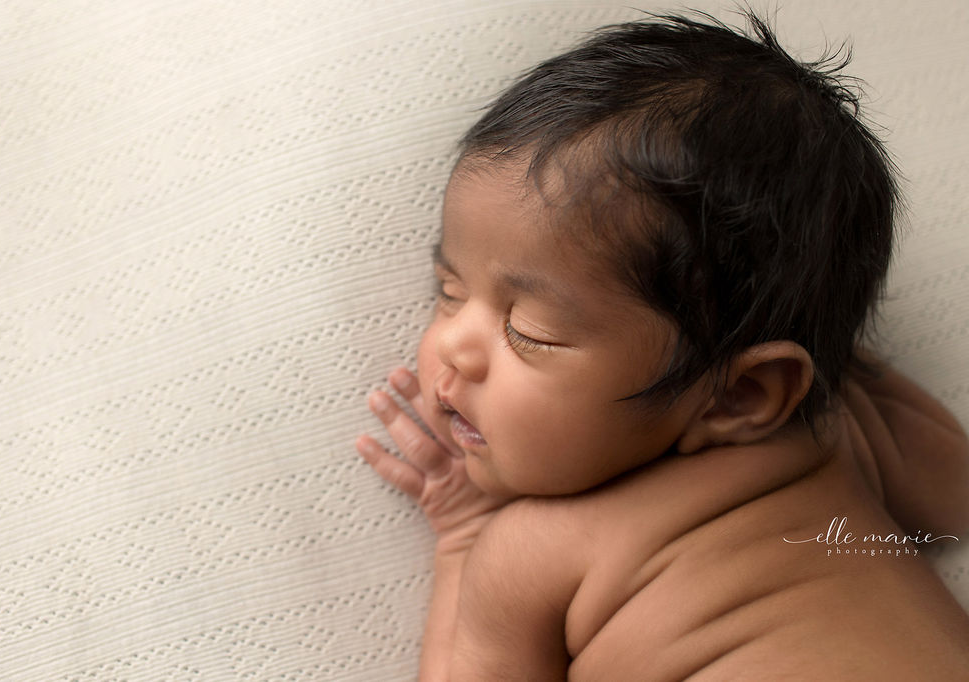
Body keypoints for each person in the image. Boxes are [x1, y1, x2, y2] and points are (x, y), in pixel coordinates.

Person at [355, 10, 969, 679]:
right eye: (448, 290)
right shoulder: (835, 426)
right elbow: (955, 496)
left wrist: (464, 537)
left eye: (529, 331)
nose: (454, 349)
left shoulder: (528, 554)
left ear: (741, 393)